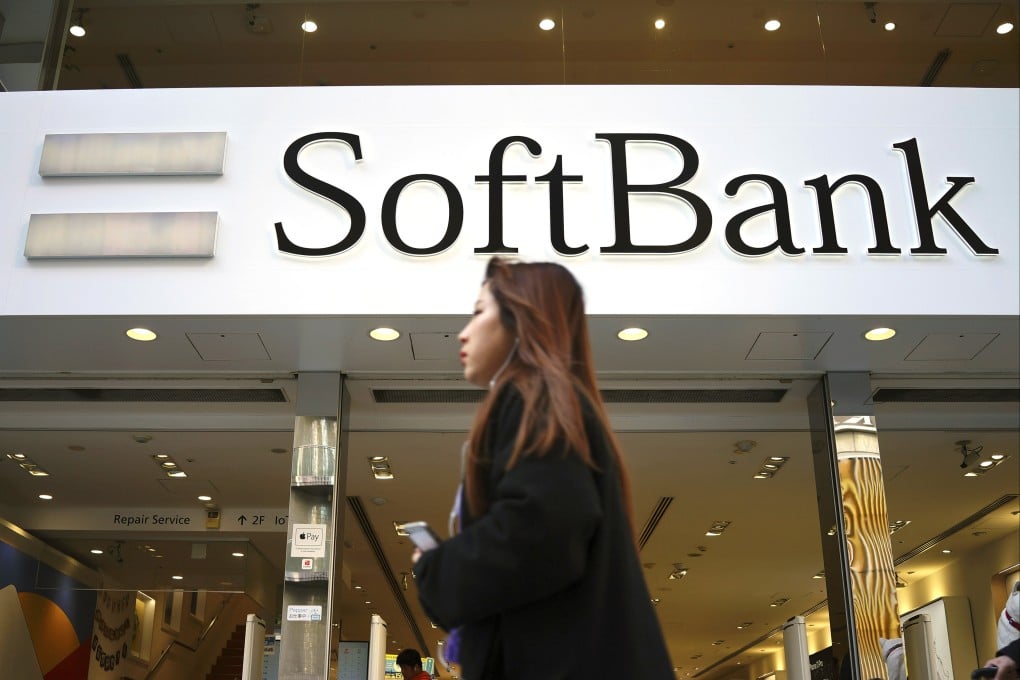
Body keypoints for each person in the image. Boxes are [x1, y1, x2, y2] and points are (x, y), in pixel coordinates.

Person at [412, 258, 674, 680]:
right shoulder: (555, 400)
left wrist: (437, 568)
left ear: (521, 319)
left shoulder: (535, 396)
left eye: (480, 311)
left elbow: (539, 531)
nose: (463, 331)